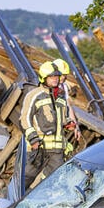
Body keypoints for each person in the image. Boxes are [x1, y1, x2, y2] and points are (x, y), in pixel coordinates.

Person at [21, 61, 76, 190]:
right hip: (38, 147)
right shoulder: (34, 95)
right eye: (52, 77)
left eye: (57, 77)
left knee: (55, 179)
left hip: (57, 149)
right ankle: (10, 201)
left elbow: (61, 119)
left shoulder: (61, 97)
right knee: (27, 177)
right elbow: (24, 119)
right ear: (43, 78)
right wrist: (33, 139)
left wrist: (68, 123)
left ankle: (41, 205)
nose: (55, 80)